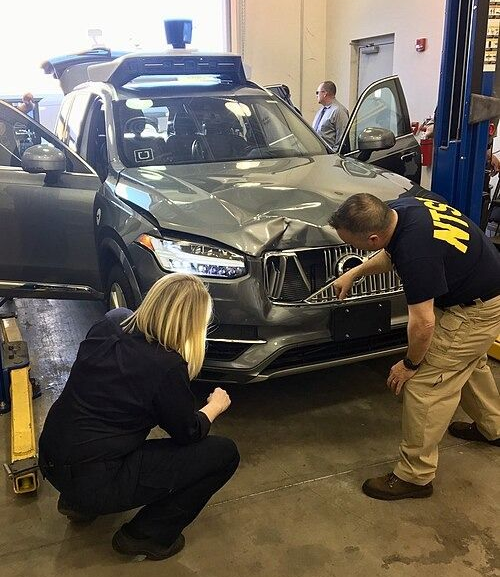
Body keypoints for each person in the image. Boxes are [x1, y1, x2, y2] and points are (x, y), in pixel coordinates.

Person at [39, 273, 239, 560]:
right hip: (92, 480)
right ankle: (145, 536)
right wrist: (215, 406)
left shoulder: (111, 321)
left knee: (99, 429)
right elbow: (188, 433)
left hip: (51, 458)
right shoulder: (167, 365)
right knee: (224, 454)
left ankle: (78, 504)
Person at [328, 193, 500, 500]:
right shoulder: (400, 210)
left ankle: (415, 476)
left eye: (354, 245)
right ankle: (494, 428)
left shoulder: (416, 254)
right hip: (482, 292)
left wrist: (409, 365)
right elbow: (389, 252)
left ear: (372, 236)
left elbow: (423, 325)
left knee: (427, 384)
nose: (354, 250)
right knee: (467, 364)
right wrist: (354, 273)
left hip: (474, 309)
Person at [312, 81, 349, 152]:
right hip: (318, 154)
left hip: (329, 156)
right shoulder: (321, 111)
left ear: (325, 93)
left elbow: (341, 139)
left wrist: (333, 155)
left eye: (317, 92)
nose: (316, 95)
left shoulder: (339, 111)